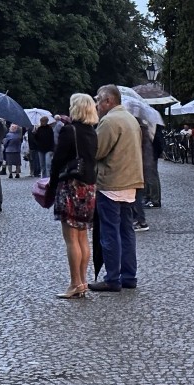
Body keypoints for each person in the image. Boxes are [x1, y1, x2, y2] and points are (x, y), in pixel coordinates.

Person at [89, 85, 144, 292]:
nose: (96, 105)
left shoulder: (109, 121)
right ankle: (129, 275)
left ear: (108, 101)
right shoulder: (130, 119)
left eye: (98, 100)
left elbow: (98, 151)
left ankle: (112, 277)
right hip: (131, 180)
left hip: (112, 181)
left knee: (110, 231)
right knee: (126, 230)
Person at [48, 94, 98, 299]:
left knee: (71, 239)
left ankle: (74, 282)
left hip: (71, 185)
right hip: (89, 186)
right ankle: (83, 281)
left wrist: (51, 185)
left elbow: (57, 161)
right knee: (83, 237)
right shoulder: (92, 132)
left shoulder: (70, 131)